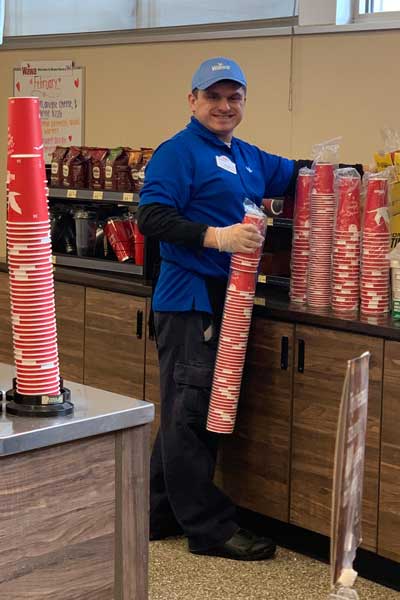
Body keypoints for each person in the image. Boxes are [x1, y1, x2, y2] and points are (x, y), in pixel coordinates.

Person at [137, 56, 360, 561]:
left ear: (243, 103)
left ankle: (155, 512)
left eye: (233, 97)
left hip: (229, 300)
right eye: (213, 96)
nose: (223, 105)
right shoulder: (179, 153)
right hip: (191, 299)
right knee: (193, 412)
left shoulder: (247, 157)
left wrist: (354, 177)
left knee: (183, 409)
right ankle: (208, 529)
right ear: (192, 101)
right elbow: (151, 216)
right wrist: (216, 236)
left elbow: (297, 174)